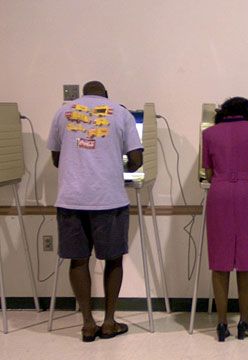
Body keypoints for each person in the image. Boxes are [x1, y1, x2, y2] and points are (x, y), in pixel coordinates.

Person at [48, 81, 143, 342]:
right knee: (113, 260)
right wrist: (114, 163)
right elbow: (136, 160)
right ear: (106, 96)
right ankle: (110, 322)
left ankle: (88, 323)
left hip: (70, 199)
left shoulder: (62, 112)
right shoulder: (120, 113)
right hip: (108, 200)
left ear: (82, 95)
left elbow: (56, 159)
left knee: (77, 260)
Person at [202, 97, 248, 342]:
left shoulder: (209, 133)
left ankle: (221, 324)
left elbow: (208, 173)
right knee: (245, 260)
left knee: (219, 263)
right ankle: (244, 322)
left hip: (218, 195)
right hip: (245, 193)